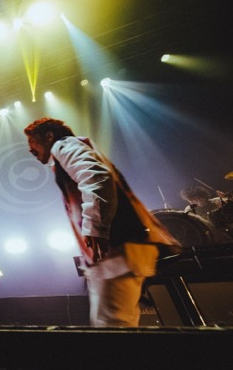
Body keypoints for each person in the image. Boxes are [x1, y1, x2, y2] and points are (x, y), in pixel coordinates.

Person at [24, 117, 180, 327]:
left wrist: (95, 227)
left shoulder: (64, 145)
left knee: (113, 327)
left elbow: (97, 177)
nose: (29, 149)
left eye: (32, 141)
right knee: (114, 325)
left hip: (118, 248)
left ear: (49, 136)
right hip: (118, 251)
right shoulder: (68, 151)